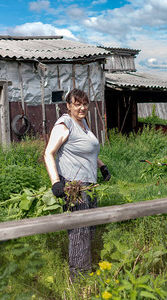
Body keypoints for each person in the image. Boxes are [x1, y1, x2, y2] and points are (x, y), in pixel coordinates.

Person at [44, 88, 111, 281]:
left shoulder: (83, 124)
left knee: (89, 230)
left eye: (85, 104)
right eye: (77, 104)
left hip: (90, 185)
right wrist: (56, 182)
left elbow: (88, 150)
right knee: (79, 232)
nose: (82, 108)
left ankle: (85, 270)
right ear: (68, 106)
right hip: (74, 187)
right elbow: (48, 153)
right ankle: (78, 278)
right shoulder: (65, 124)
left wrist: (102, 166)